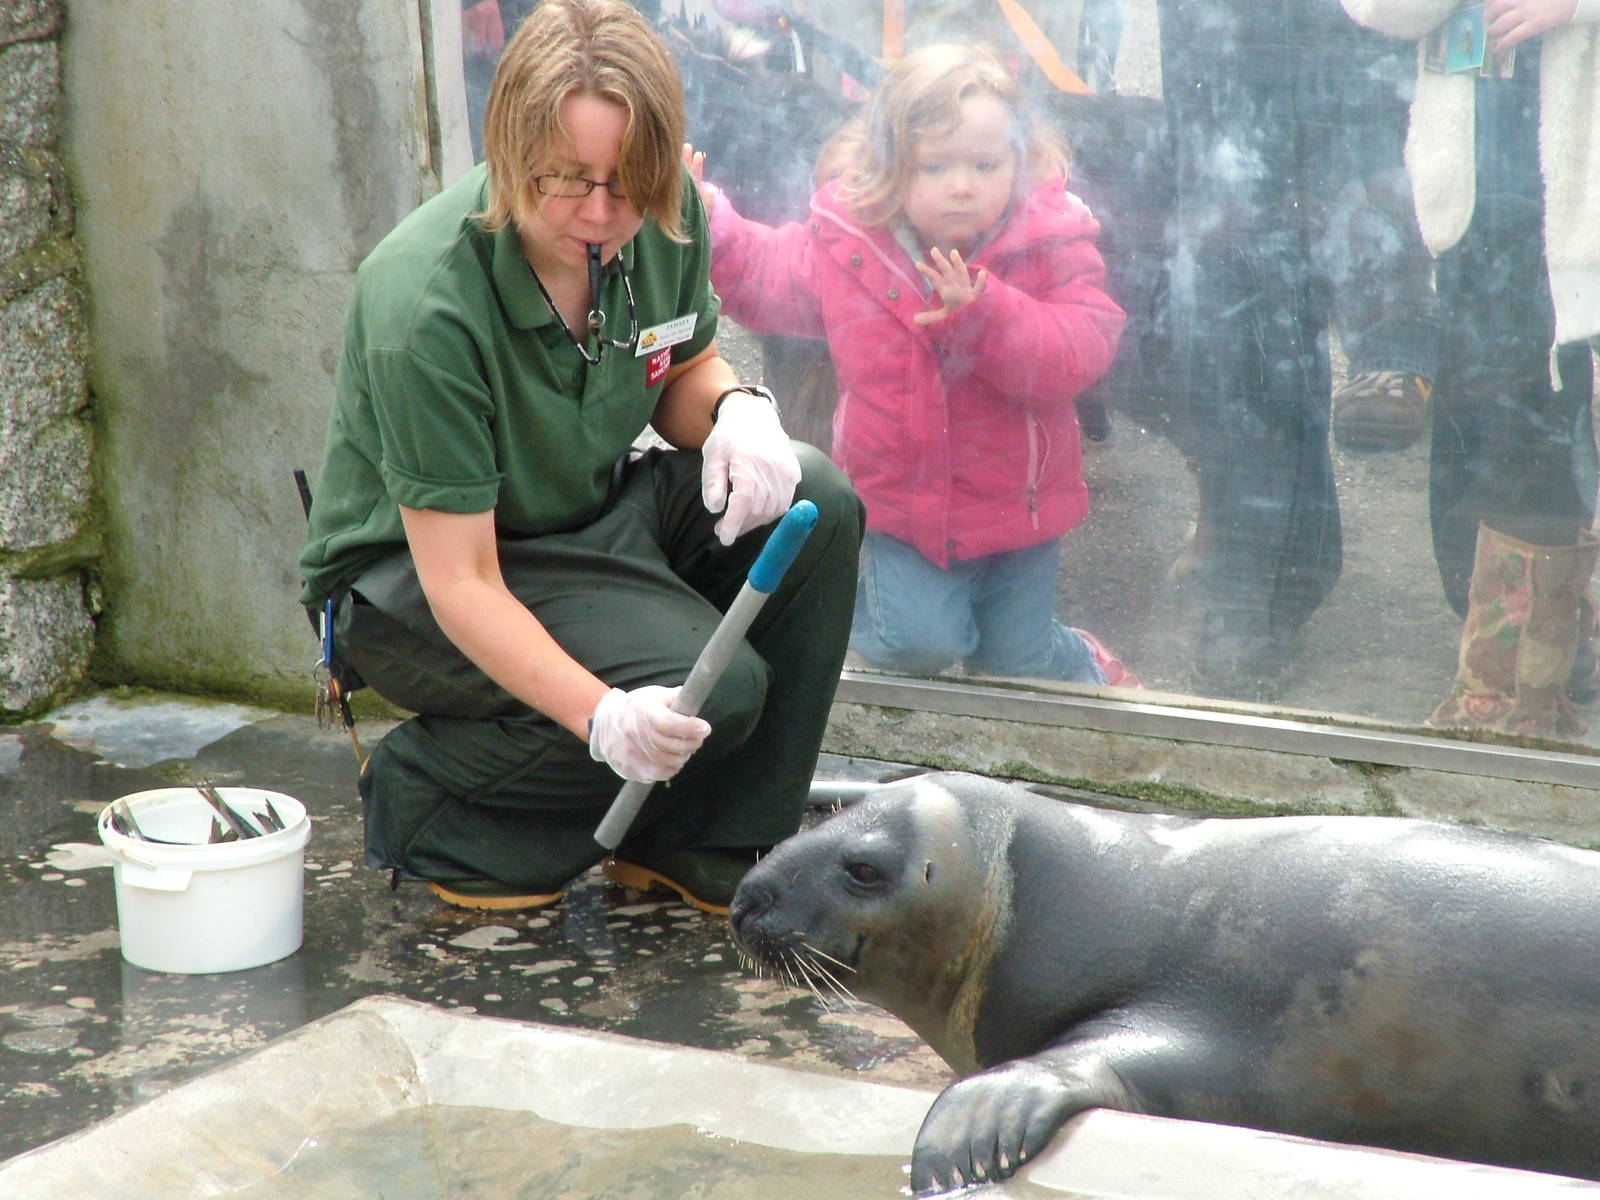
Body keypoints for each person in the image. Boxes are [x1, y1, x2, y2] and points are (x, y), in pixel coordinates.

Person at [297, 0, 864, 914]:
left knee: (819, 502)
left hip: (585, 519)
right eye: (568, 180)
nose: (601, 213)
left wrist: (735, 409)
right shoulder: (423, 303)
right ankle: (434, 801)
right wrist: (601, 718)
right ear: (512, 153)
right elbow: (465, 582)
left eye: (627, 182)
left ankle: (702, 836)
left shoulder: (663, 220)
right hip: (419, 581)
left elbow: (676, 361)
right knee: (719, 690)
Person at [689, 43, 1133, 684]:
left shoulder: (1049, 239)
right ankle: (856, 599)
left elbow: (1084, 346)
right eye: (935, 166)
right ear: (893, 168)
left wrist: (984, 317)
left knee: (1015, 662)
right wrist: (710, 226)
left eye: (986, 164)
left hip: (1019, 506)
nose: (962, 184)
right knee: (913, 645)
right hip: (902, 505)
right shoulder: (851, 241)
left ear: (1020, 161)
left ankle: (1083, 659)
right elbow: (768, 273)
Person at [1345, 0, 1600, 736]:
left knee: (1544, 434)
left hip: (1573, 195)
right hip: (1458, 199)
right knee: (1473, 436)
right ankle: (1509, 654)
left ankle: (1524, 677)